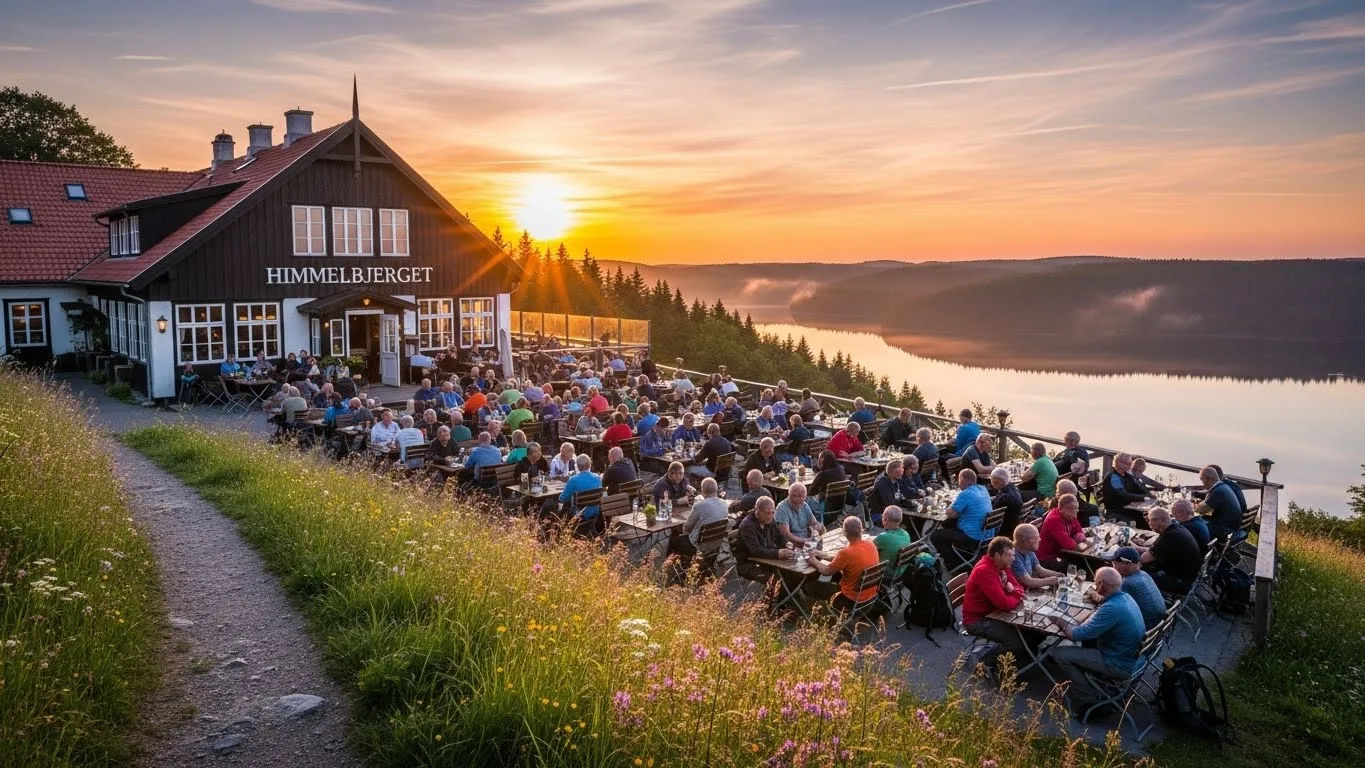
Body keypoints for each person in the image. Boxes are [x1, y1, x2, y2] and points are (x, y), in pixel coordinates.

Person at [1048, 567, 1145, 715]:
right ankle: (1091, 679)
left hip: (1117, 663)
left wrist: (1059, 620)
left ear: (1101, 585)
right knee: (1085, 641)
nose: (1094, 586)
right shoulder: (1126, 597)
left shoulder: (1112, 608)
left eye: (1095, 583)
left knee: (1058, 653)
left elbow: (1077, 634)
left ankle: (1089, 695)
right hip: (1132, 657)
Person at [961, 536, 1032, 666]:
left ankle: (1020, 660)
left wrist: (1013, 591)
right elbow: (1005, 604)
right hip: (978, 620)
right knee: (1017, 644)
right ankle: (983, 663)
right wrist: (1013, 593)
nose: (1013, 558)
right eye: (1010, 555)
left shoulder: (1002, 565)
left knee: (1031, 634)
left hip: (994, 613)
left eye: (1013, 555)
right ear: (997, 555)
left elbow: (1019, 588)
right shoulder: (985, 571)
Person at [804, 516, 881, 615]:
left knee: (809, 586)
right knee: (835, 576)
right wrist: (820, 554)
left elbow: (826, 571)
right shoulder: (871, 545)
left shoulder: (846, 553)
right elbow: (844, 559)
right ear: (861, 529)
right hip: (870, 595)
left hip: (850, 599)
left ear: (844, 532)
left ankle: (818, 613)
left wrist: (811, 559)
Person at [930, 469, 995, 569]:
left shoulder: (965, 494)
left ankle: (953, 564)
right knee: (948, 525)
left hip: (973, 536)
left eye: (959, 479)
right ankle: (958, 555)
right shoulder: (983, 489)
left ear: (963, 480)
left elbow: (950, 514)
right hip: (987, 535)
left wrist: (950, 505)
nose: (958, 482)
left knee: (935, 535)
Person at [668, 477, 729, 569]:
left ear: (702, 491)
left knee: (673, 540)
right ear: (716, 490)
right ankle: (705, 565)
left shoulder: (699, 506)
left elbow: (687, 528)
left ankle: (673, 569)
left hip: (699, 546)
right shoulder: (724, 504)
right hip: (717, 543)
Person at [1138, 506, 1201, 594]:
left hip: (1181, 582)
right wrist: (1135, 547)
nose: (1149, 524)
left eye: (1150, 522)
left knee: (1134, 573)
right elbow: (1155, 550)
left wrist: (1127, 550)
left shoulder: (1169, 536)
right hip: (1191, 576)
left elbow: (1143, 559)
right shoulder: (1177, 528)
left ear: (1160, 521)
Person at [733, 496, 797, 582]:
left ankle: (791, 594)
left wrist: (787, 544)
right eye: (767, 513)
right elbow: (756, 551)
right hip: (749, 562)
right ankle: (780, 594)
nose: (770, 516)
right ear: (757, 512)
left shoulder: (770, 520)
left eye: (772, 512)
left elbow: (780, 537)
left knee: (794, 571)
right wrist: (778, 553)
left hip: (766, 559)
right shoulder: (747, 526)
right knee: (779, 578)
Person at [1112, 547, 1166, 629]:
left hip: (1145, 626)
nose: (1114, 567)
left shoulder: (1128, 582)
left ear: (1128, 564)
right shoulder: (1143, 574)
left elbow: (1114, 607)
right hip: (1158, 623)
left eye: (1115, 563)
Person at [1036, 493, 1088, 571]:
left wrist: (1082, 539)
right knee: (1079, 565)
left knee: (1085, 562)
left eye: (1077, 508)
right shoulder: (1054, 520)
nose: (1076, 511)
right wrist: (1082, 543)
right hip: (1048, 558)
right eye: (1073, 508)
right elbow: (1069, 545)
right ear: (1063, 508)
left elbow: (1080, 531)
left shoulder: (1069, 515)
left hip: (1061, 553)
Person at [869, 458, 925, 527]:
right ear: (893, 471)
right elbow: (889, 503)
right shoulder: (883, 483)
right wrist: (901, 508)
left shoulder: (895, 482)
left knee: (915, 518)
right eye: (901, 468)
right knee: (908, 520)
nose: (903, 471)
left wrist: (914, 504)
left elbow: (901, 498)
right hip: (880, 516)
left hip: (891, 512)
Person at [557, 454, 603, 534]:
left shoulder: (573, 479)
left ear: (577, 466)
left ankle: (560, 532)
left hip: (579, 513)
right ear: (589, 465)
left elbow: (563, 498)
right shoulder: (597, 477)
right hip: (595, 512)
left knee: (558, 506)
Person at [1196, 466, 1244, 540]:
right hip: (1230, 526)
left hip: (1226, 530)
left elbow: (1200, 510)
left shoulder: (1218, 492)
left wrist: (1189, 504)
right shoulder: (1223, 486)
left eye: (1202, 479)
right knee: (1199, 520)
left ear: (1209, 479)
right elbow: (1207, 505)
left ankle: (1200, 549)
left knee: (1194, 525)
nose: (1202, 483)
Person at [1011, 523, 1062, 589]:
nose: (1040, 539)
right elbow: (1028, 582)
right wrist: (1049, 581)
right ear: (1027, 542)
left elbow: (1039, 570)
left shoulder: (1027, 549)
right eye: (1036, 538)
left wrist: (1060, 575)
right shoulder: (1013, 556)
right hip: (1021, 592)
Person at [1101, 452, 1151, 521]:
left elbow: (1138, 488)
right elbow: (1124, 495)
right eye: (1129, 463)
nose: (1130, 466)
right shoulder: (1113, 477)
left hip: (1127, 508)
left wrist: (1148, 494)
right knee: (1144, 520)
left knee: (1148, 518)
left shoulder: (1125, 475)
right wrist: (1144, 498)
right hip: (1117, 511)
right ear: (1119, 463)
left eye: (1130, 463)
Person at [808, 449, 852, 519]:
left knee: (805, 498)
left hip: (825, 507)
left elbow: (811, 492)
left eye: (819, 459)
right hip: (839, 506)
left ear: (822, 461)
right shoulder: (840, 468)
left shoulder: (823, 474)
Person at [874, 505, 913, 580]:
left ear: (884, 520)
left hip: (885, 574)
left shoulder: (883, 537)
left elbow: (869, 548)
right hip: (900, 572)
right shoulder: (905, 534)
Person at [988, 466, 1024, 536]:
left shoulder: (1004, 497)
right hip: (1013, 524)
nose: (993, 484)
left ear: (1001, 481)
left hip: (1004, 530)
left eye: (994, 482)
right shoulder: (1013, 488)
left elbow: (991, 510)